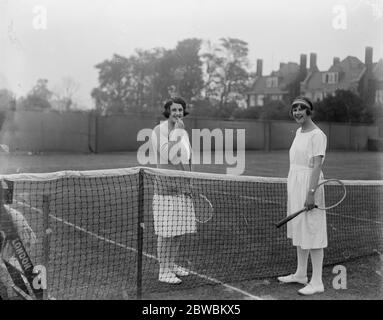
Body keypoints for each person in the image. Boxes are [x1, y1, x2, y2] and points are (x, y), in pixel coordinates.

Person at [277, 96, 328, 296]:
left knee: (313, 230)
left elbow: (317, 165)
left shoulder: (318, 135)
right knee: (300, 229)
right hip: (295, 183)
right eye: (294, 109)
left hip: (310, 185)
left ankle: (317, 282)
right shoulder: (299, 132)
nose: (297, 112)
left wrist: (311, 193)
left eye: (301, 109)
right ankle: (300, 274)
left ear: (309, 111)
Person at [151, 96, 196, 284]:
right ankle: (163, 270)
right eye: (174, 110)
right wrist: (177, 132)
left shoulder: (183, 132)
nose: (177, 113)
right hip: (165, 188)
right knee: (166, 232)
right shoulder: (158, 130)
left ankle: (171, 264)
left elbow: (186, 158)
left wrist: (190, 181)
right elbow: (168, 155)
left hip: (182, 187)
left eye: (180, 110)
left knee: (178, 230)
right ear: (168, 111)